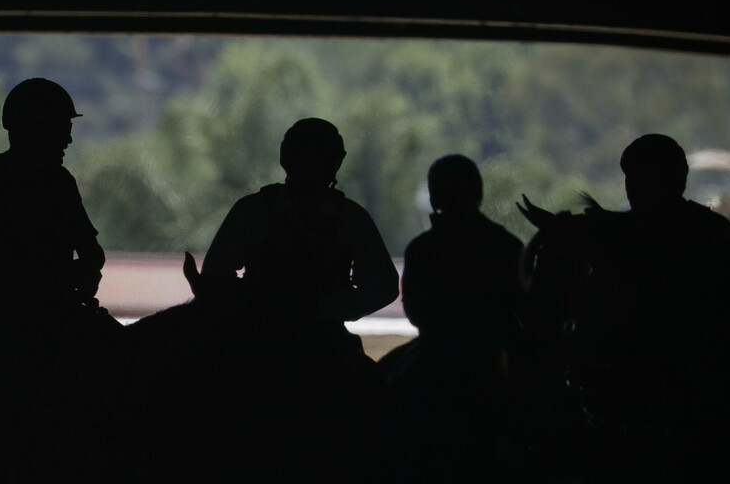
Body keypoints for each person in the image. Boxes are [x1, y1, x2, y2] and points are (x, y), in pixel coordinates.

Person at [0, 77, 118, 363]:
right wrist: (75, 276)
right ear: (36, 128)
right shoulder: (59, 183)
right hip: (50, 325)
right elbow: (91, 255)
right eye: (62, 129)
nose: (68, 139)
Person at [199, 117, 398, 346]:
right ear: (338, 160)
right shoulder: (351, 218)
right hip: (325, 348)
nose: (312, 165)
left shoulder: (253, 211)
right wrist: (326, 308)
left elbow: (214, 277)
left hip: (258, 345)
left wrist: (265, 305)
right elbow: (384, 287)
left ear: (284, 157)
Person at [401, 154, 524, 356]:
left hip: (436, 355)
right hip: (496, 354)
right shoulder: (507, 245)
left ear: (435, 195)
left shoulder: (421, 248)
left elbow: (415, 310)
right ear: (477, 191)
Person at [620, 132, 730, 247]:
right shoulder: (712, 228)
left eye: (647, 177)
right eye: (635, 177)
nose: (633, 186)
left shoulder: (618, 235)